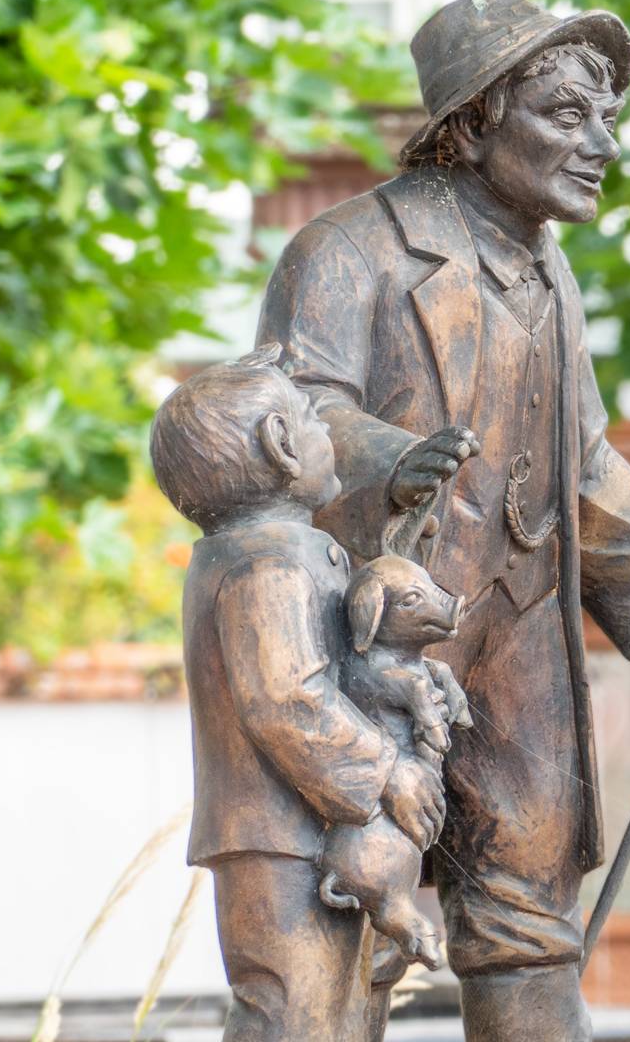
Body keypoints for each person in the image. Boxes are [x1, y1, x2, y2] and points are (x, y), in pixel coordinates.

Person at [255, 0, 630, 1040]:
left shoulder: (551, 271)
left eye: (606, 117)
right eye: (567, 116)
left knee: (529, 917)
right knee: (351, 911)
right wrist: (391, 460)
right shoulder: (348, 250)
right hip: (374, 637)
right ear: (476, 124)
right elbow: (291, 415)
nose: (601, 144)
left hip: (520, 632)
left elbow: (581, 458)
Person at [148, 345, 444, 1041]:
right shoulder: (266, 562)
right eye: (314, 419)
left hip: (317, 833)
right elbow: (288, 700)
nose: (327, 432)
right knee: (294, 1014)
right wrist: (388, 772)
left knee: (339, 1016)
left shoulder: (284, 549)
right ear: (282, 445)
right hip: (282, 840)